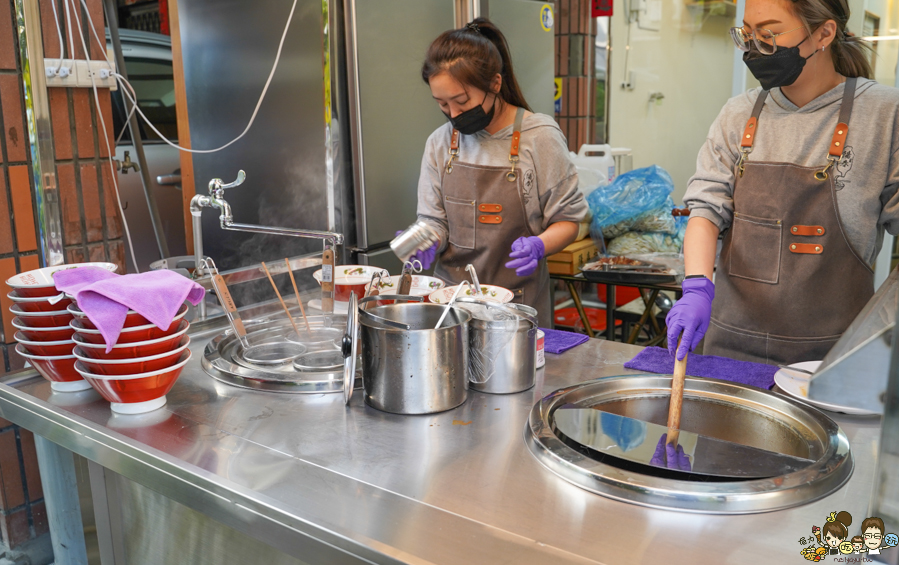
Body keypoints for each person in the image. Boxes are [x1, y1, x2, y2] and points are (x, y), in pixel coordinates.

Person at [665, 0, 899, 365]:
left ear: (824, 32)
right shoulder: (738, 114)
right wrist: (696, 286)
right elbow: (705, 210)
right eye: (748, 35)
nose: (755, 49)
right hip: (730, 350)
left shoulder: (884, 115)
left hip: (831, 363)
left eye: (770, 35)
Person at [405, 18, 587, 326]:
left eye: (462, 101)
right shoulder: (439, 142)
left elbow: (569, 220)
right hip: (450, 310)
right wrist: (423, 241)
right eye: (442, 104)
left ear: (495, 84)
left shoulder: (539, 137)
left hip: (517, 310)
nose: (453, 114)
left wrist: (540, 245)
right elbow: (434, 220)